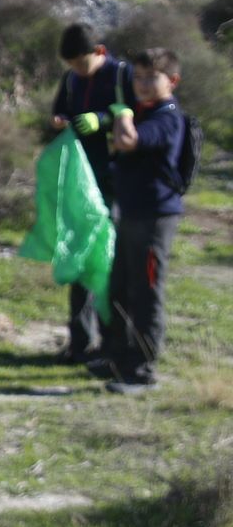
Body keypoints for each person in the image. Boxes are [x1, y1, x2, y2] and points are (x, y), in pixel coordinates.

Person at [91, 48, 186, 394]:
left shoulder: (167, 115)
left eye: (151, 78)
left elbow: (128, 141)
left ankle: (142, 372)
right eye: (138, 78)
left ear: (172, 81)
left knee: (146, 291)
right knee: (119, 287)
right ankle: (117, 356)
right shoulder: (145, 111)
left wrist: (122, 116)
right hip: (131, 213)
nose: (143, 85)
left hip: (155, 217)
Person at [48, 22, 134, 363]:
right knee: (79, 258)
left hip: (113, 179)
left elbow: (134, 114)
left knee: (106, 261)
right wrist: (59, 119)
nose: (78, 71)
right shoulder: (70, 79)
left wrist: (103, 119)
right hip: (79, 180)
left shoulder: (121, 75)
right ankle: (79, 342)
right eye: (71, 66)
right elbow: (60, 108)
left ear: (98, 52)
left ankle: (111, 344)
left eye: (82, 64)